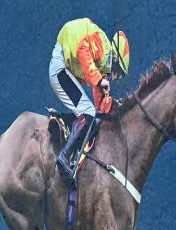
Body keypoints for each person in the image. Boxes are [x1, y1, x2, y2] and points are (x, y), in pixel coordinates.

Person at [49, 17, 130, 181]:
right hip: (61, 68)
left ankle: (71, 155)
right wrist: (99, 81)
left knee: (91, 115)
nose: (116, 77)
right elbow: (82, 51)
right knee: (87, 112)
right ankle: (64, 156)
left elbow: (99, 104)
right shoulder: (103, 45)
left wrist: (112, 108)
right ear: (115, 60)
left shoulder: (101, 63)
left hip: (66, 67)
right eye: (118, 72)